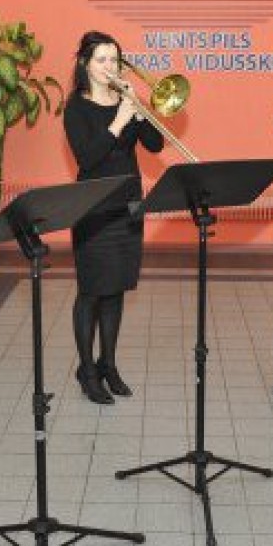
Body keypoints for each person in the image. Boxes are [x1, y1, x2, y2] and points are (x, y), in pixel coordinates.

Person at [63, 31, 164, 404]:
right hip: (93, 209)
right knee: (91, 291)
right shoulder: (76, 108)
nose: (110, 67)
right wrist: (118, 122)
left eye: (115, 60)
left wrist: (140, 110)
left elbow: (155, 144)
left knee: (116, 288)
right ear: (85, 64)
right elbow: (88, 158)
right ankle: (86, 370)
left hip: (129, 206)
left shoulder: (126, 100)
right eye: (102, 60)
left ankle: (108, 364)